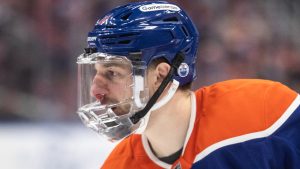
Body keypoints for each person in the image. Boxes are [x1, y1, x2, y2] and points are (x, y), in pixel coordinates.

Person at [76, 1, 300, 169]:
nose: (95, 91)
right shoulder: (119, 165)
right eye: (96, 74)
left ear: (161, 76)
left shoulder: (264, 113)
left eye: (112, 73)